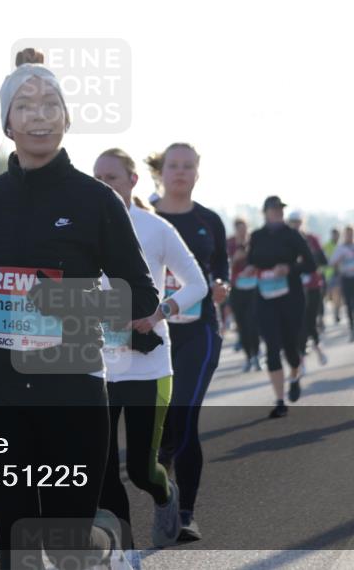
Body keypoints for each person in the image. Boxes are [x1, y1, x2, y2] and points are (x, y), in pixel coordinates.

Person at [0, 49, 159, 570]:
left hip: (71, 385)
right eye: (25, 105)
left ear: (67, 118)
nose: (39, 115)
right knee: (16, 542)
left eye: (51, 103)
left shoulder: (97, 201)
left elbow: (141, 297)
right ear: (7, 123)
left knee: (64, 544)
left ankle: (99, 546)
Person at [92, 148, 207, 558]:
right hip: (95, 367)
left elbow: (196, 284)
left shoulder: (154, 229)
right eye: (97, 178)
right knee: (102, 471)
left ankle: (164, 494)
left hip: (147, 365)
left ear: (132, 181)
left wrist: (160, 312)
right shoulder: (80, 231)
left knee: (141, 469)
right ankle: (124, 554)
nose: (103, 186)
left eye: (111, 178)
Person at [146, 142, 229, 542]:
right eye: (173, 166)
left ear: (198, 172)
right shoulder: (144, 218)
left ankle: (185, 514)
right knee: (161, 426)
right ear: (160, 172)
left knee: (186, 416)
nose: (180, 172)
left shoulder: (209, 221)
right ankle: (163, 460)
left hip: (199, 331)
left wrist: (220, 287)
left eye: (188, 166)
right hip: (152, 332)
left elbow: (222, 270)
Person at [245, 196, 316, 418]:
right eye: (274, 209)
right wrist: (249, 269)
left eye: (280, 210)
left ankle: (295, 375)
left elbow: (311, 264)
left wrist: (289, 268)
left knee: (290, 347)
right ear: (265, 212)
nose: (278, 213)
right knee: (272, 347)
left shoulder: (293, 235)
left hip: (291, 298)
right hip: (265, 298)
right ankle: (279, 400)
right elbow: (252, 260)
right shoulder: (256, 236)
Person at [287, 210, 328, 366]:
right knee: (299, 323)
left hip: (313, 286)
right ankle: (301, 357)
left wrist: (309, 259)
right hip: (294, 287)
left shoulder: (312, 239)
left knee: (310, 321)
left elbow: (323, 260)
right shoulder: (286, 240)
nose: (296, 225)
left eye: (298, 221)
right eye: (292, 222)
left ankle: (317, 348)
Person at [228, 218, 261, 372]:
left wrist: (252, 264)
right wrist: (235, 260)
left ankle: (257, 354)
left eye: (244, 229)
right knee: (241, 325)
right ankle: (248, 356)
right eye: (239, 229)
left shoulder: (255, 242)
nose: (242, 232)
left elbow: (262, 260)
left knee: (252, 323)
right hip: (237, 289)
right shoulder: (230, 244)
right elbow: (224, 265)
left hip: (254, 288)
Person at [323, 227, 342, 325]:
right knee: (328, 296)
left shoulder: (341, 246)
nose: (335, 236)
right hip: (329, 273)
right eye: (334, 234)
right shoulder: (326, 246)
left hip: (339, 273)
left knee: (337, 294)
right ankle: (322, 316)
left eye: (337, 235)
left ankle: (336, 312)